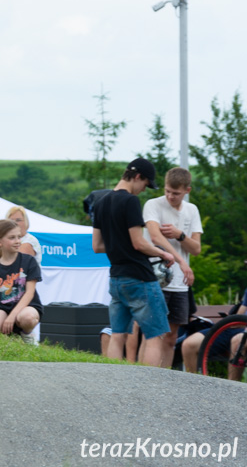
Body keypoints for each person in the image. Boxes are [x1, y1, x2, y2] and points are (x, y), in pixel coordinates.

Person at [91, 157, 174, 366]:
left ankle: (114, 383)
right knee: (155, 335)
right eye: (145, 185)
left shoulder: (101, 203)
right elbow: (138, 243)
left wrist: (118, 244)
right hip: (139, 278)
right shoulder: (130, 201)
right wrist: (163, 253)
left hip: (116, 279)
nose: (143, 190)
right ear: (138, 177)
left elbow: (97, 246)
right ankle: (148, 387)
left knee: (118, 334)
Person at [141, 167, 201, 368]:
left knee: (170, 335)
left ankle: (165, 379)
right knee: (152, 333)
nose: (170, 196)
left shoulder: (192, 210)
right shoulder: (153, 205)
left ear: (187, 191)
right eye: (167, 191)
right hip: (156, 276)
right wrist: (182, 262)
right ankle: (144, 376)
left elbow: (196, 248)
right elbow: (155, 236)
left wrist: (180, 235)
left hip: (179, 283)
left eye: (175, 193)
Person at [181, 288, 247, 380]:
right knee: (189, 345)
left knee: (238, 341)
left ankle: (231, 389)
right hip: (234, 327)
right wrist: (229, 319)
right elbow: (241, 313)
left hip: (242, 333)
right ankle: (195, 386)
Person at [0, 205, 42, 271]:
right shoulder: (3, 240)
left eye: (18, 220)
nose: (15, 223)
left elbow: (14, 264)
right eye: (11, 220)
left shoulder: (30, 241)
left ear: (26, 222)